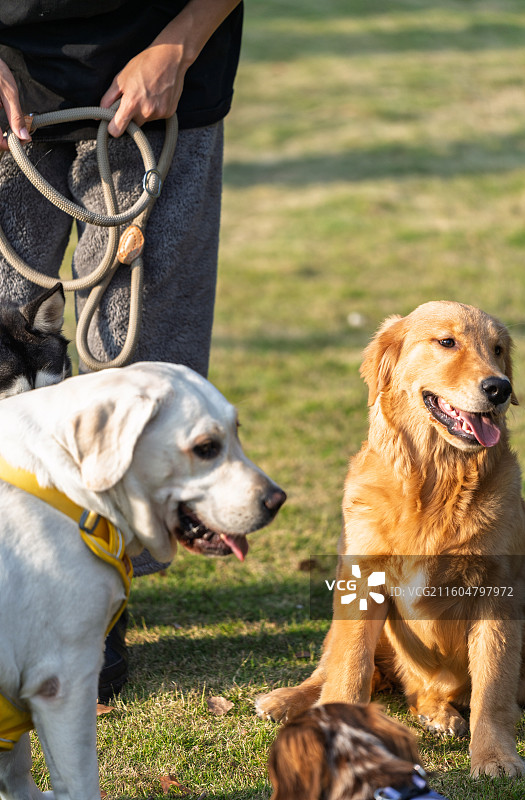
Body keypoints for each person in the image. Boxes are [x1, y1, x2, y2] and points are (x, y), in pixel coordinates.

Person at [0, 0, 244, 699]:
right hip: (10, 71)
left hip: (166, 72)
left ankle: (100, 592)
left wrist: (183, 40)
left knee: (141, 362)